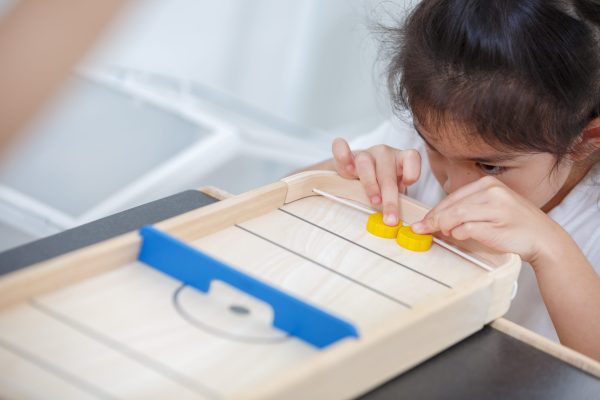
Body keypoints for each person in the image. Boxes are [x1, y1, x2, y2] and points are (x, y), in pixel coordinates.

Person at [304, 0, 600, 361]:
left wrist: (551, 250)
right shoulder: (429, 134)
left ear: (583, 142)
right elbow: (270, 200)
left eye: (489, 167)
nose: (454, 188)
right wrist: (346, 179)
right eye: (434, 149)